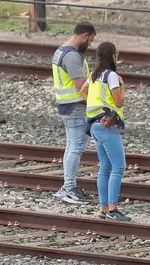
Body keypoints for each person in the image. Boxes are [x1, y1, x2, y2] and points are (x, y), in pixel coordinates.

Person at [80, 42, 131, 222]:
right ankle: (112, 209)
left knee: (105, 167)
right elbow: (118, 102)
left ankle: (103, 208)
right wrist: (122, 86)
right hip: (107, 125)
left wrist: (94, 108)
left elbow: (82, 90)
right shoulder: (112, 76)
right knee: (118, 166)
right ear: (113, 56)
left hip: (94, 125)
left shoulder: (94, 75)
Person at [51, 21, 97, 205]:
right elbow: (81, 86)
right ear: (84, 35)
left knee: (72, 147)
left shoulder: (61, 51)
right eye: (91, 40)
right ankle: (68, 188)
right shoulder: (71, 57)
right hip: (75, 108)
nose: (91, 44)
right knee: (76, 148)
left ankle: (68, 186)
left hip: (67, 106)